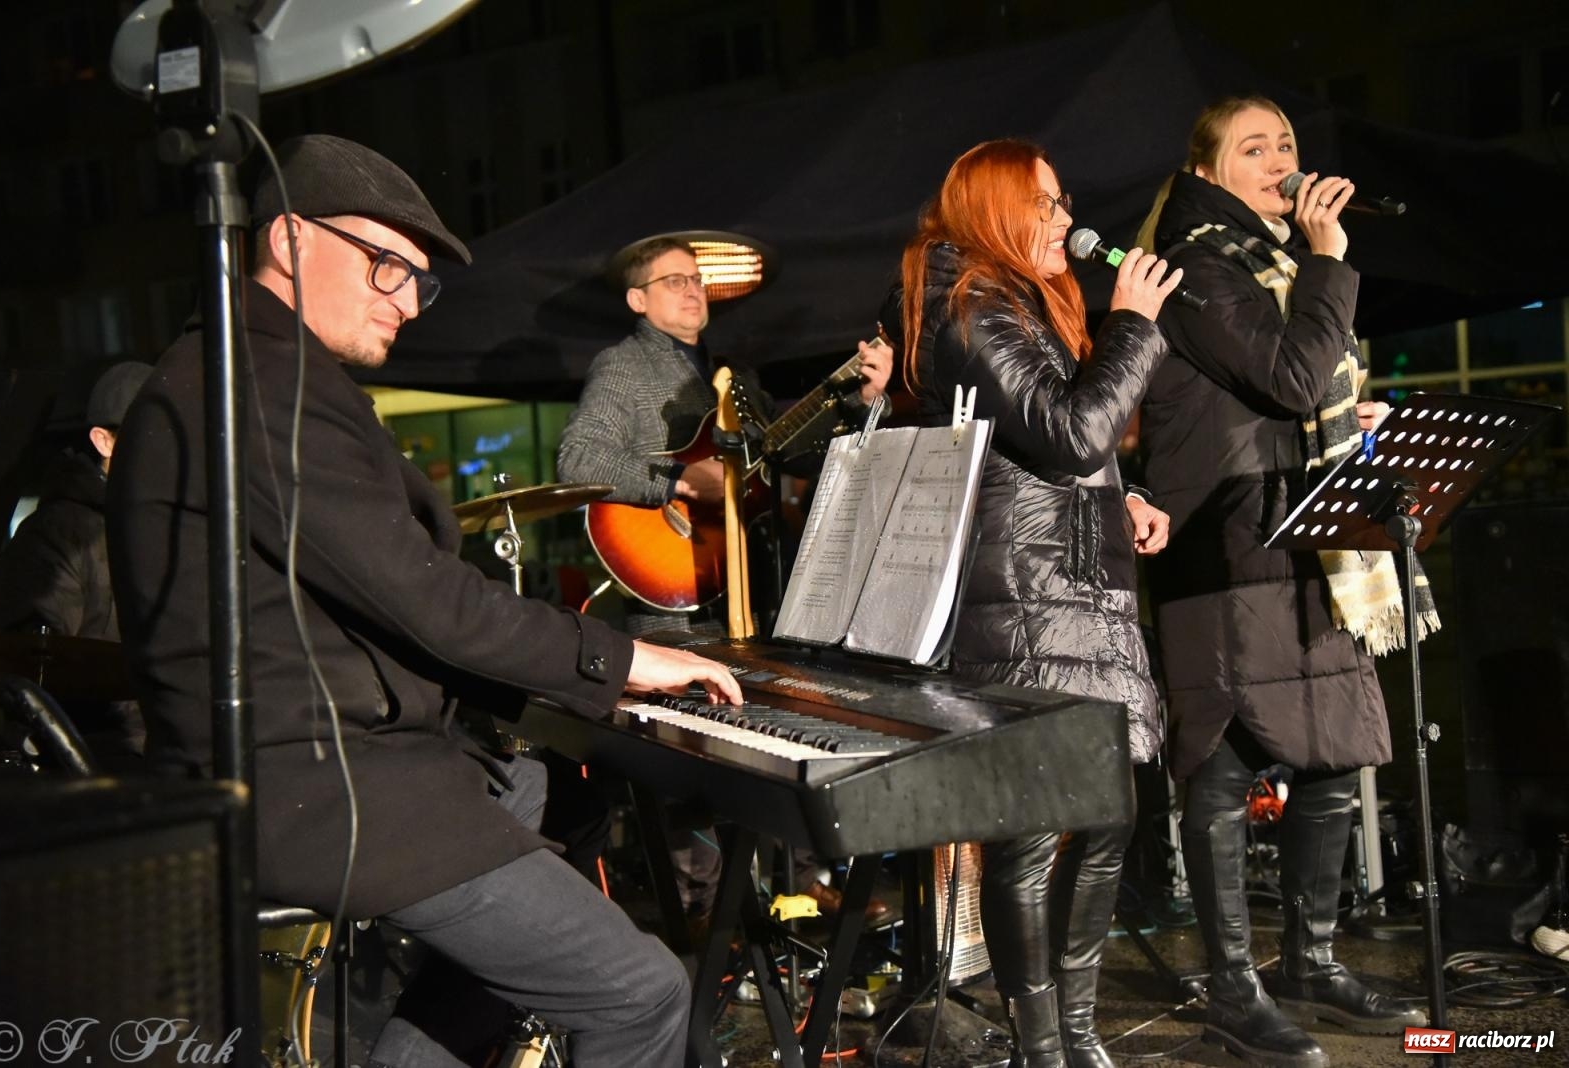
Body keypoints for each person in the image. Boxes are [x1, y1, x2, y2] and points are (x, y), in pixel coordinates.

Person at [107, 134, 744, 1068]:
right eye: (386, 268)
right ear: (288, 239)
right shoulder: (262, 387)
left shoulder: (248, 372)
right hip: (324, 787)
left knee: (544, 796)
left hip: (327, 764)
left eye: (418, 282)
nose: (407, 302)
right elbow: (426, 600)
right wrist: (621, 660)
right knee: (639, 991)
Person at [1137, 96, 1430, 1067]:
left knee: (1333, 757)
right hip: (1225, 544)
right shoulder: (1195, 264)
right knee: (1223, 769)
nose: (1280, 160)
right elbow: (1295, 381)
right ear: (1208, 170)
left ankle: (1309, 958)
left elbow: (1306, 388)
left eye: (1288, 144)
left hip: (1309, 538)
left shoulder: (1268, 260)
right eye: (1253, 147)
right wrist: (1328, 256)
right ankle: (1231, 988)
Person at [897, 138, 1179, 1067]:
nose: (1068, 219)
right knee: (1036, 825)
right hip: (1020, 595)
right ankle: (1044, 1045)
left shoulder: (1019, 305)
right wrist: (1133, 323)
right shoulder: (972, 309)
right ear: (998, 209)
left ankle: (1079, 1028)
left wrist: (1119, 495)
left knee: (1110, 812)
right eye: (1048, 203)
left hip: (1079, 581)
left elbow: (1067, 448)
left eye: (1065, 201)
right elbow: (1067, 432)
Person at [556, 235, 895, 925]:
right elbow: (579, 458)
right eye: (674, 280)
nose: (692, 289)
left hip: (739, 586)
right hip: (671, 588)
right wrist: (677, 479)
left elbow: (789, 451)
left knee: (766, 739)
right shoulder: (623, 368)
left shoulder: (729, 378)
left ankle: (794, 888)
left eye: (697, 279)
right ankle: (706, 914)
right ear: (637, 300)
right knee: (694, 763)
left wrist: (856, 399)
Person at [0, 360, 154, 770]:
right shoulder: (56, 535)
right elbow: (33, 668)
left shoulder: (177, 522)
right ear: (104, 441)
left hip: (173, 747)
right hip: (102, 762)